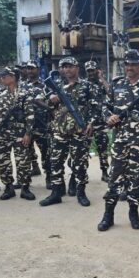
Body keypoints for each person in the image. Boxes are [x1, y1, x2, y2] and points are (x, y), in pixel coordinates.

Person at [97, 50, 139, 231]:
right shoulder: (116, 85)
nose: (130, 67)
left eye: (134, 64)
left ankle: (133, 213)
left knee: (136, 179)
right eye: (127, 64)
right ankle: (108, 215)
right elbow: (105, 107)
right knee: (114, 179)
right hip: (120, 141)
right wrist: (108, 117)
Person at [39, 56, 100, 207]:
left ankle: (81, 192)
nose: (67, 69)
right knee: (56, 163)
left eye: (70, 66)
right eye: (64, 67)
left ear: (77, 68)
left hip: (79, 131)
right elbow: (43, 102)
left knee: (79, 164)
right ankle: (56, 193)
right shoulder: (54, 86)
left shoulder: (87, 86)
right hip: (59, 131)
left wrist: (91, 123)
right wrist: (51, 100)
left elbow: (96, 107)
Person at [0, 66, 36, 201]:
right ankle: (8, 187)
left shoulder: (24, 93)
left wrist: (28, 134)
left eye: (5, 76)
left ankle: (25, 188)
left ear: (13, 77)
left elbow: (30, 115)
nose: (2, 78)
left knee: (23, 161)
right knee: (3, 160)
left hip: (20, 132)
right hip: (3, 133)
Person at [24, 60, 52, 187]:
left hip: (42, 124)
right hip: (27, 125)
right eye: (28, 69)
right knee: (27, 151)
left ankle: (49, 177)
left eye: (32, 68)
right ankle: (34, 168)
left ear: (38, 69)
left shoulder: (45, 85)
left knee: (46, 152)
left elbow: (51, 104)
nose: (30, 71)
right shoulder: (22, 86)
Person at [85, 60, 110, 182]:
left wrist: (102, 78)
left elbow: (111, 93)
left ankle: (105, 172)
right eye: (88, 71)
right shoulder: (83, 85)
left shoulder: (101, 84)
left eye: (92, 70)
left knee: (103, 148)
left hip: (100, 122)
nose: (90, 73)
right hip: (86, 123)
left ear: (96, 70)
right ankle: (81, 174)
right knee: (83, 149)